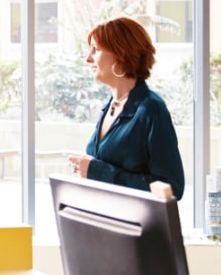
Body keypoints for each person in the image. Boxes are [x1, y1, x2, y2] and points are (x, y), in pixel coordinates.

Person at [67, 16, 184, 200]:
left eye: (95, 50)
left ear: (120, 55)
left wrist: (97, 171)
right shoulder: (109, 107)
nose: (87, 59)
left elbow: (171, 187)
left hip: (137, 227)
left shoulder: (151, 110)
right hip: (107, 222)